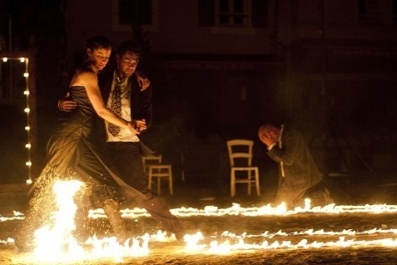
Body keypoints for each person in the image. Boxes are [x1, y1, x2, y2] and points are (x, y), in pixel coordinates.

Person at [15, 36, 149, 251]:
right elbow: (101, 111)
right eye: (99, 56)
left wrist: (138, 73)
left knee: (102, 180)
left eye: (106, 56)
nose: (103, 60)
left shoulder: (91, 72)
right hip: (70, 136)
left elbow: (114, 75)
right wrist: (128, 125)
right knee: (50, 184)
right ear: (88, 53)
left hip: (81, 137)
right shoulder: (87, 74)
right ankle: (23, 237)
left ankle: (123, 236)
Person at [58, 40, 184, 241]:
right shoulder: (102, 76)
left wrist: (144, 123)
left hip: (127, 144)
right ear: (117, 59)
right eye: (127, 60)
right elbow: (77, 90)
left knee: (141, 190)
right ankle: (81, 235)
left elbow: (147, 112)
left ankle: (176, 229)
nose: (131, 65)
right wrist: (61, 102)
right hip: (99, 143)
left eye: (135, 61)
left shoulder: (142, 84)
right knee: (88, 187)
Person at [258, 123, 334, 209]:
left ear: (272, 131)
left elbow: (288, 159)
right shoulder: (281, 138)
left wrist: (271, 146)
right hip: (291, 181)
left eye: (266, 135)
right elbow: (280, 159)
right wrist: (271, 146)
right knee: (280, 207)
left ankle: (322, 199)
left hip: (301, 179)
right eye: (263, 139)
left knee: (286, 207)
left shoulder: (291, 135)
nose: (267, 138)